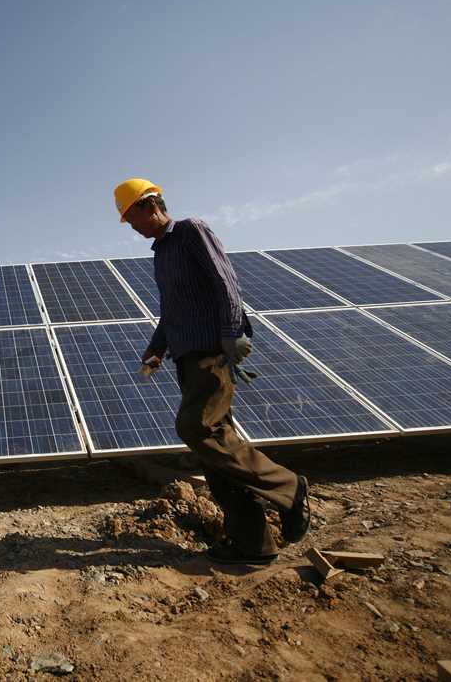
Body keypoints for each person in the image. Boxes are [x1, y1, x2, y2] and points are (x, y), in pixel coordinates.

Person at [114, 178, 310, 565]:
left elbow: (225, 282)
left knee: (197, 427)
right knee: (214, 450)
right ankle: (252, 543)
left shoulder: (190, 231)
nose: (131, 226)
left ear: (150, 204)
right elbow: (172, 309)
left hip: (211, 354)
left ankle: (289, 487)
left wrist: (232, 334)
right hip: (186, 356)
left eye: (131, 216)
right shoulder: (161, 254)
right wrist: (156, 349)